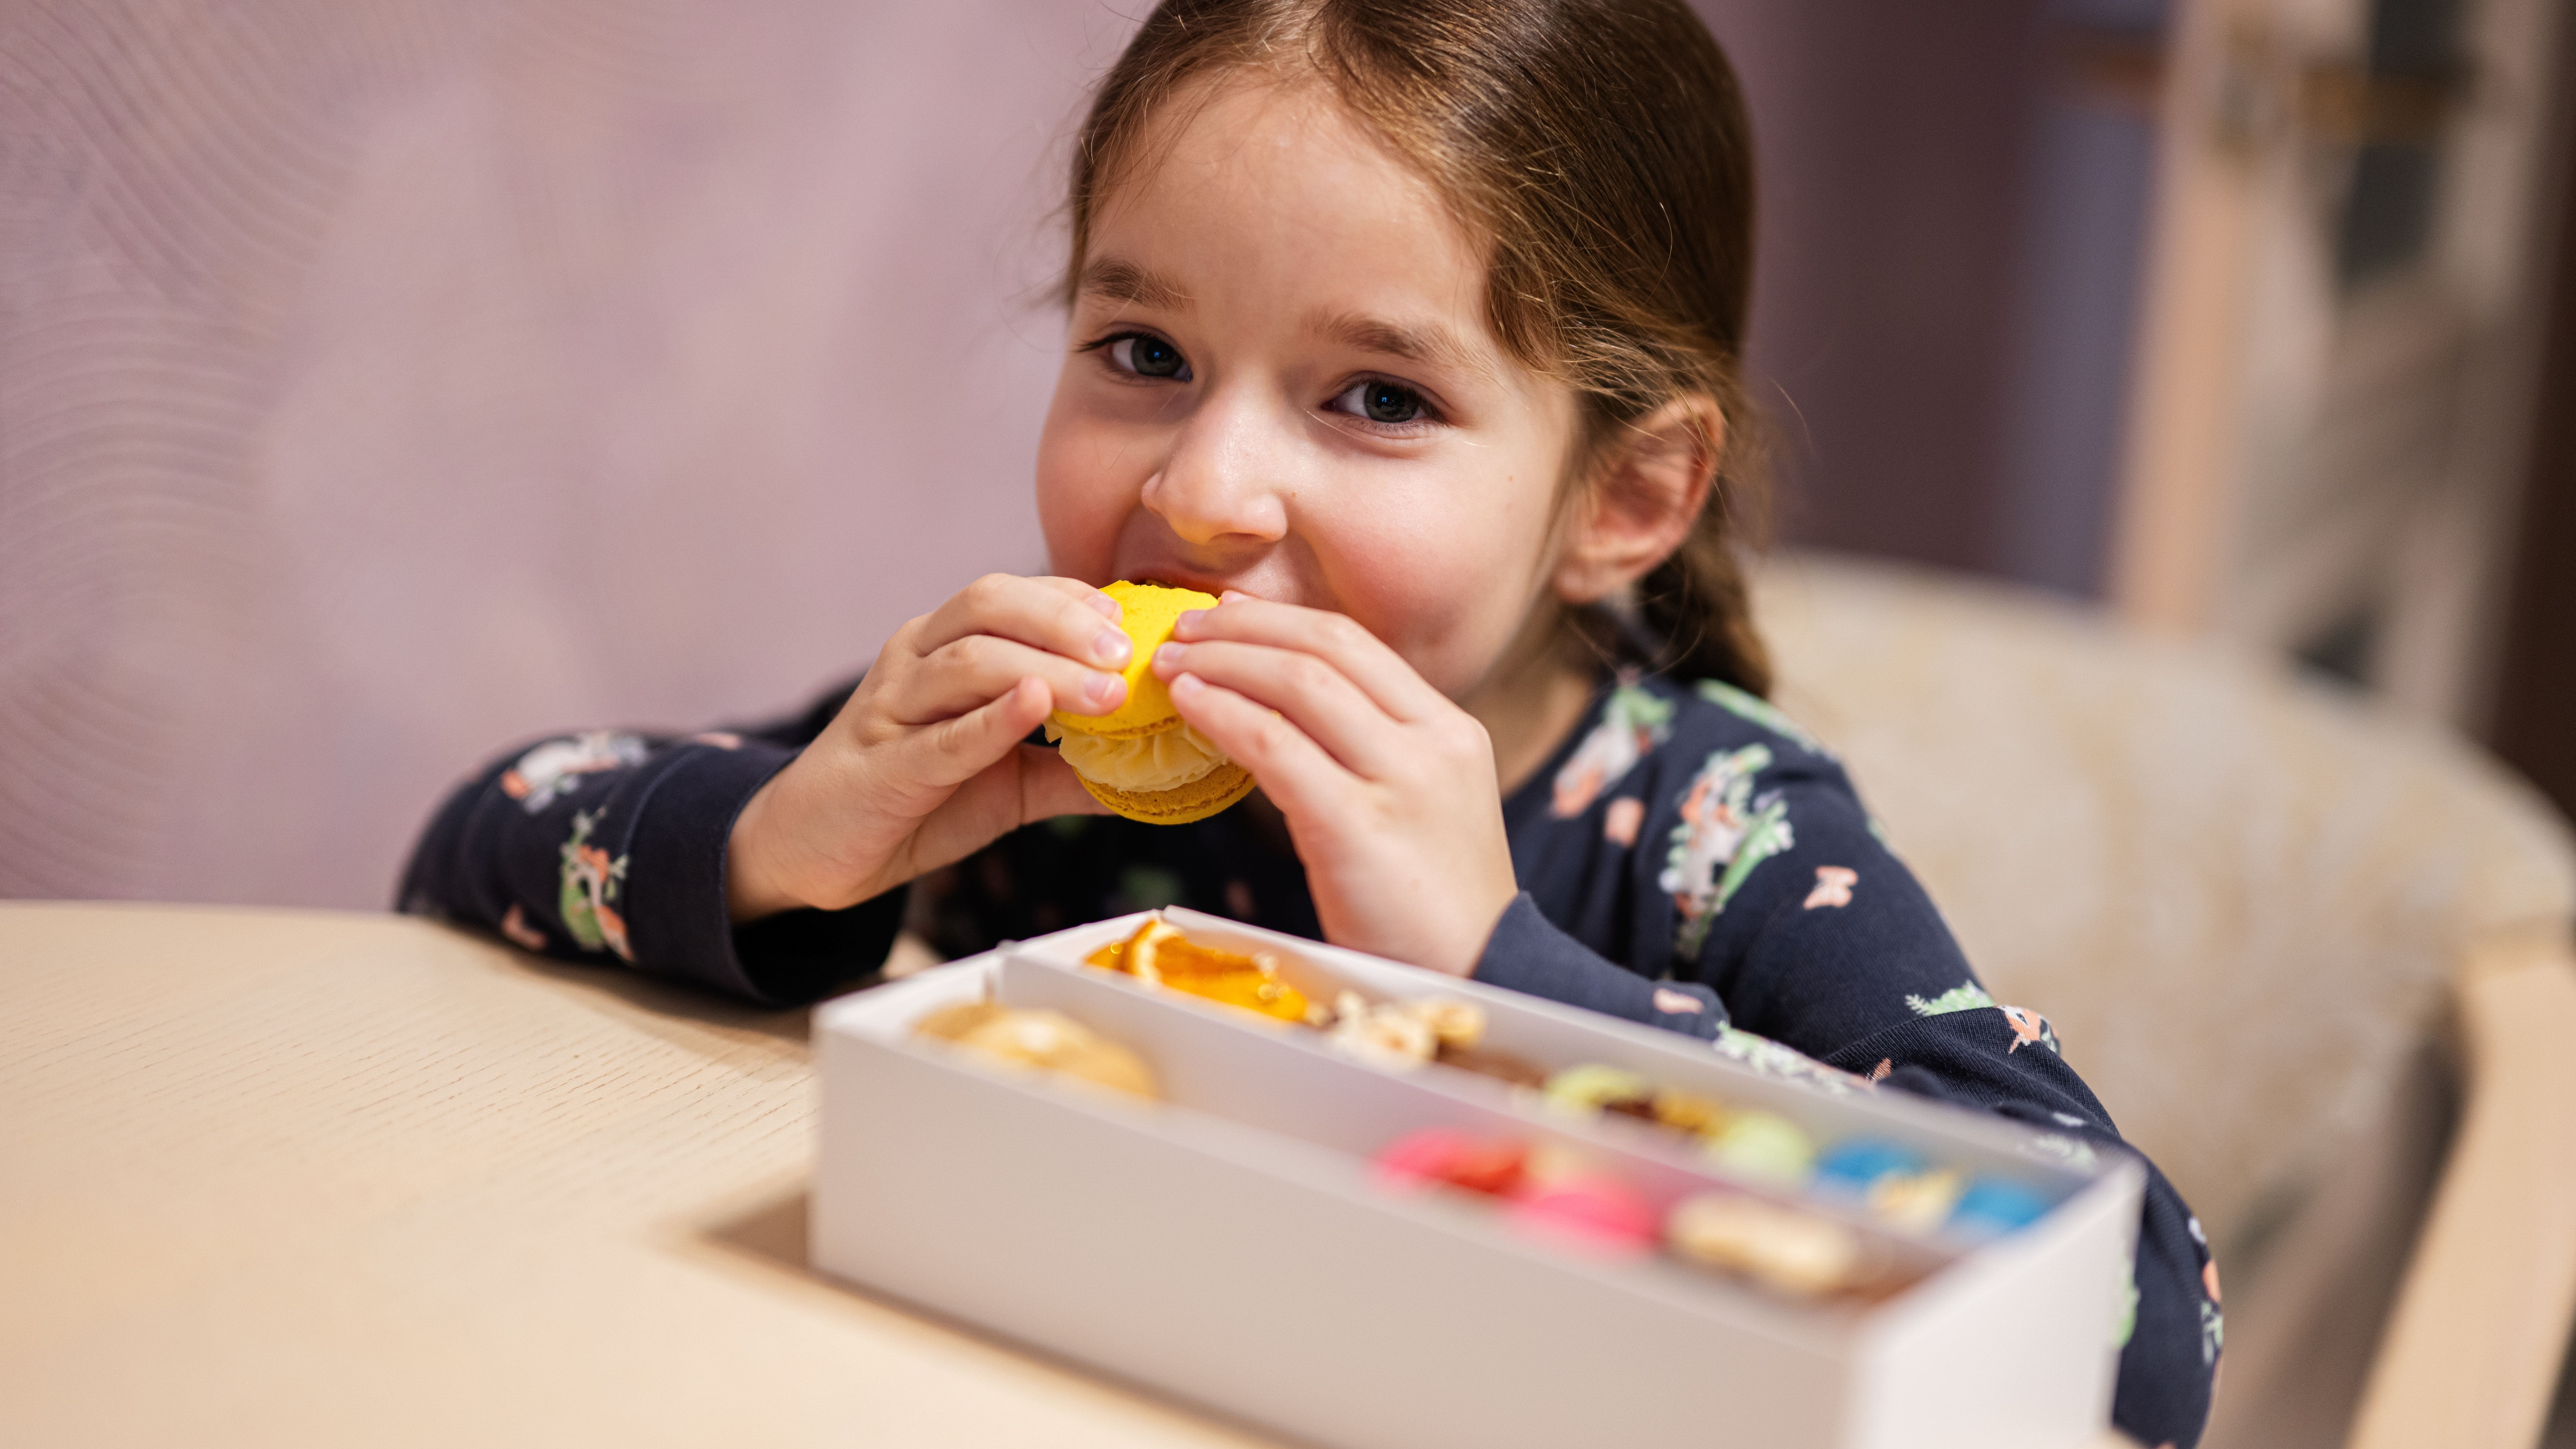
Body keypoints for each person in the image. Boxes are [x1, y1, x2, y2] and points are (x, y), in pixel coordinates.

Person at [400, 1, 2217, 1441]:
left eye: (1374, 396)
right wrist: (785, 834)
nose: (1205, 490)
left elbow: (2142, 1309)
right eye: (1143, 355)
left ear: (1626, 497)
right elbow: (478, 840)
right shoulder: (1028, 765)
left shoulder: (1708, 829)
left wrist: (1499, 972)